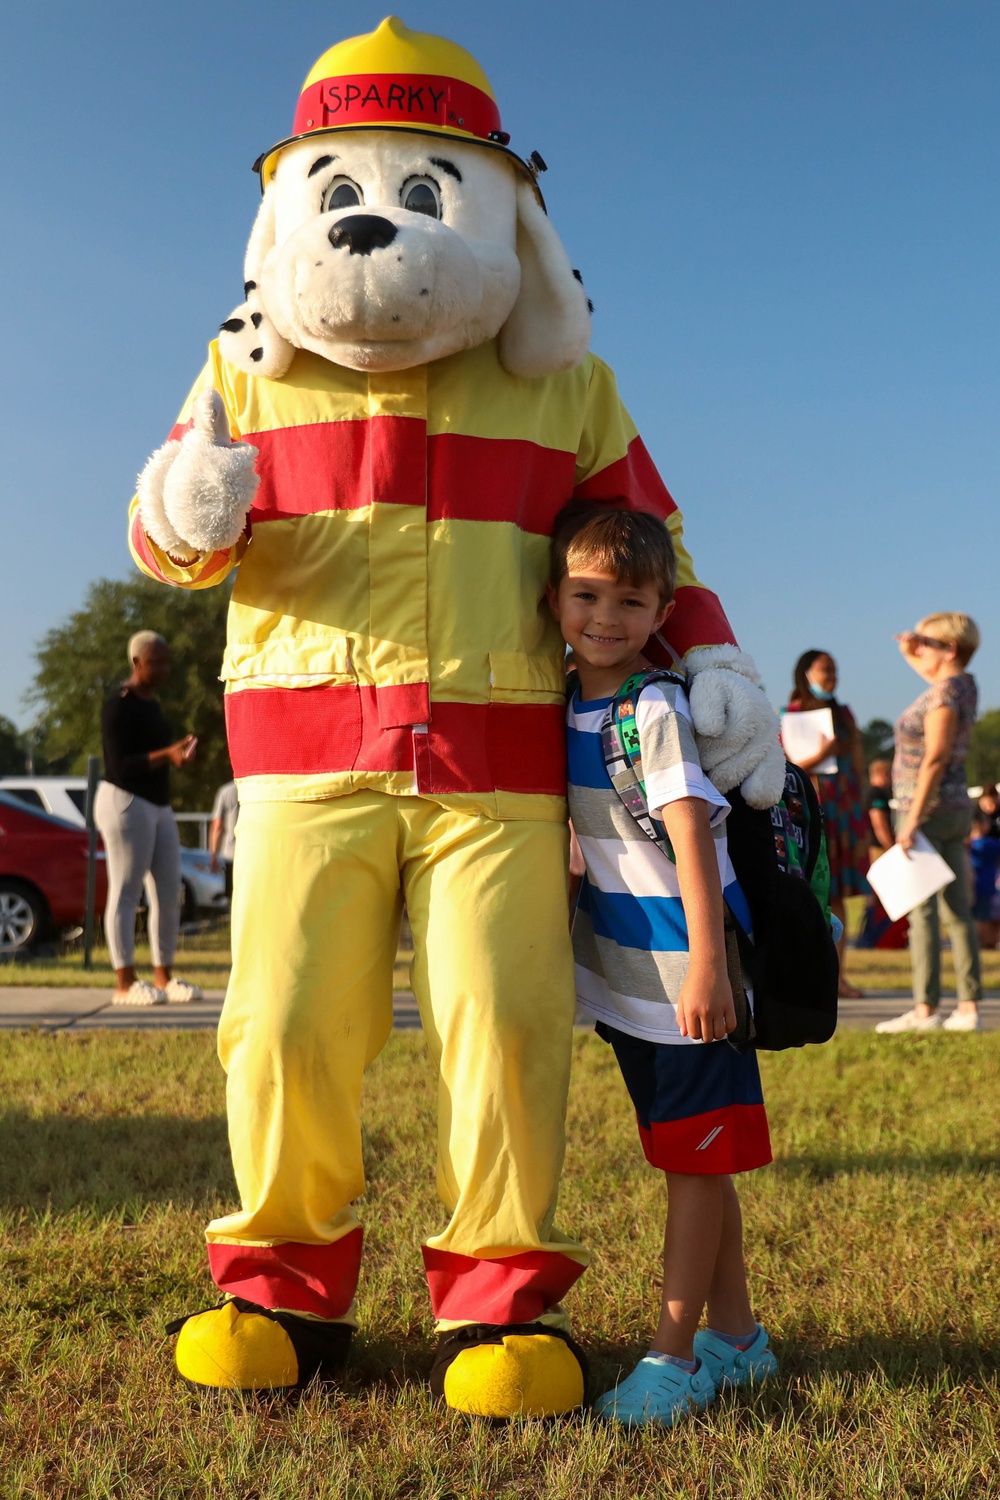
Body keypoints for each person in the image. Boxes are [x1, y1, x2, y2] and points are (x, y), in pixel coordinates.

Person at [547, 505, 775, 1428]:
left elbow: (689, 836)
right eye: (586, 594)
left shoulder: (653, 707)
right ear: (554, 597)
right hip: (632, 984)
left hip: (685, 978)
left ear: (661, 611)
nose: (605, 616)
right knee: (695, 1159)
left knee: (691, 1165)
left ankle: (674, 1357)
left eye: (630, 600)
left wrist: (707, 970)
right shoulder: (564, 698)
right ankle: (741, 1340)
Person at [876, 613, 982, 1033]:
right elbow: (931, 668)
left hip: (927, 810)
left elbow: (934, 758)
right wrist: (910, 649)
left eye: (927, 641)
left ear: (950, 649)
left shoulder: (943, 694)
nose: (920, 649)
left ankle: (925, 1011)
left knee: (922, 912)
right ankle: (968, 1007)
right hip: (954, 809)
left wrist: (911, 819)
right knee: (958, 910)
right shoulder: (962, 686)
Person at [95, 632, 203, 1005]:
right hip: (125, 801)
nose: (164, 668)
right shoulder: (118, 705)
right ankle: (125, 983)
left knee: (168, 892)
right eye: (156, 661)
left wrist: (177, 755)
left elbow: (158, 755)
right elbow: (120, 765)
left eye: (166, 661)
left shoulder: (152, 705)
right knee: (126, 891)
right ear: (137, 663)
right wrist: (166, 754)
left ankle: (164, 978)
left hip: (158, 804)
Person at [783, 651, 869, 998]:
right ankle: (807, 977)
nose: (832, 675)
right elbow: (788, 764)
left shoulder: (844, 712)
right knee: (807, 891)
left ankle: (838, 976)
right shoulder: (792, 714)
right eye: (825, 669)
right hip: (808, 806)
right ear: (807, 673)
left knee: (838, 896)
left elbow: (858, 761)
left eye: (834, 669)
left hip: (843, 809)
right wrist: (822, 754)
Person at [969, 810, 1000, 952]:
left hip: (971, 887)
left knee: (976, 918)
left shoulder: (968, 845)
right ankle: (987, 944)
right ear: (985, 826)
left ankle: (979, 944)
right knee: (986, 918)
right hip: (987, 887)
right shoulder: (990, 844)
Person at [208, 779, 238, 900]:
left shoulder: (226, 791)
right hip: (254, 853)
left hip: (231, 853)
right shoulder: (256, 788)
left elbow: (217, 826)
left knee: (232, 896)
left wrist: (213, 855)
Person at [866, 759, 895, 856]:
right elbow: (879, 823)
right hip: (880, 849)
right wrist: (892, 850)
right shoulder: (876, 794)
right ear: (883, 774)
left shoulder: (872, 793)